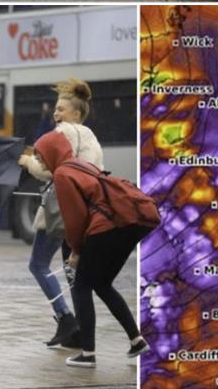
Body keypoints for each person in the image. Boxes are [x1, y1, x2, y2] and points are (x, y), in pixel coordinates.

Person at [33, 129, 151, 369]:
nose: (40, 162)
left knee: (81, 286)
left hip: (107, 228)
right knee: (102, 284)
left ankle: (87, 354)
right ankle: (136, 340)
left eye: (40, 156)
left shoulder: (63, 174)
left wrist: (76, 251)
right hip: (128, 224)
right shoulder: (80, 164)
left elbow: (75, 219)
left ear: (52, 152)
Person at [18, 78, 103, 350]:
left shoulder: (63, 132)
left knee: (38, 264)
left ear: (76, 114)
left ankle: (65, 318)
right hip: (84, 212)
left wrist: (26, 160)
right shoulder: (91, 137)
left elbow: (48, 170)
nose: (56, 114)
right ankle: (79, 335)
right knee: (72, 273)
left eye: (61, 109)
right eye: (55, 109)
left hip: (61, 211)